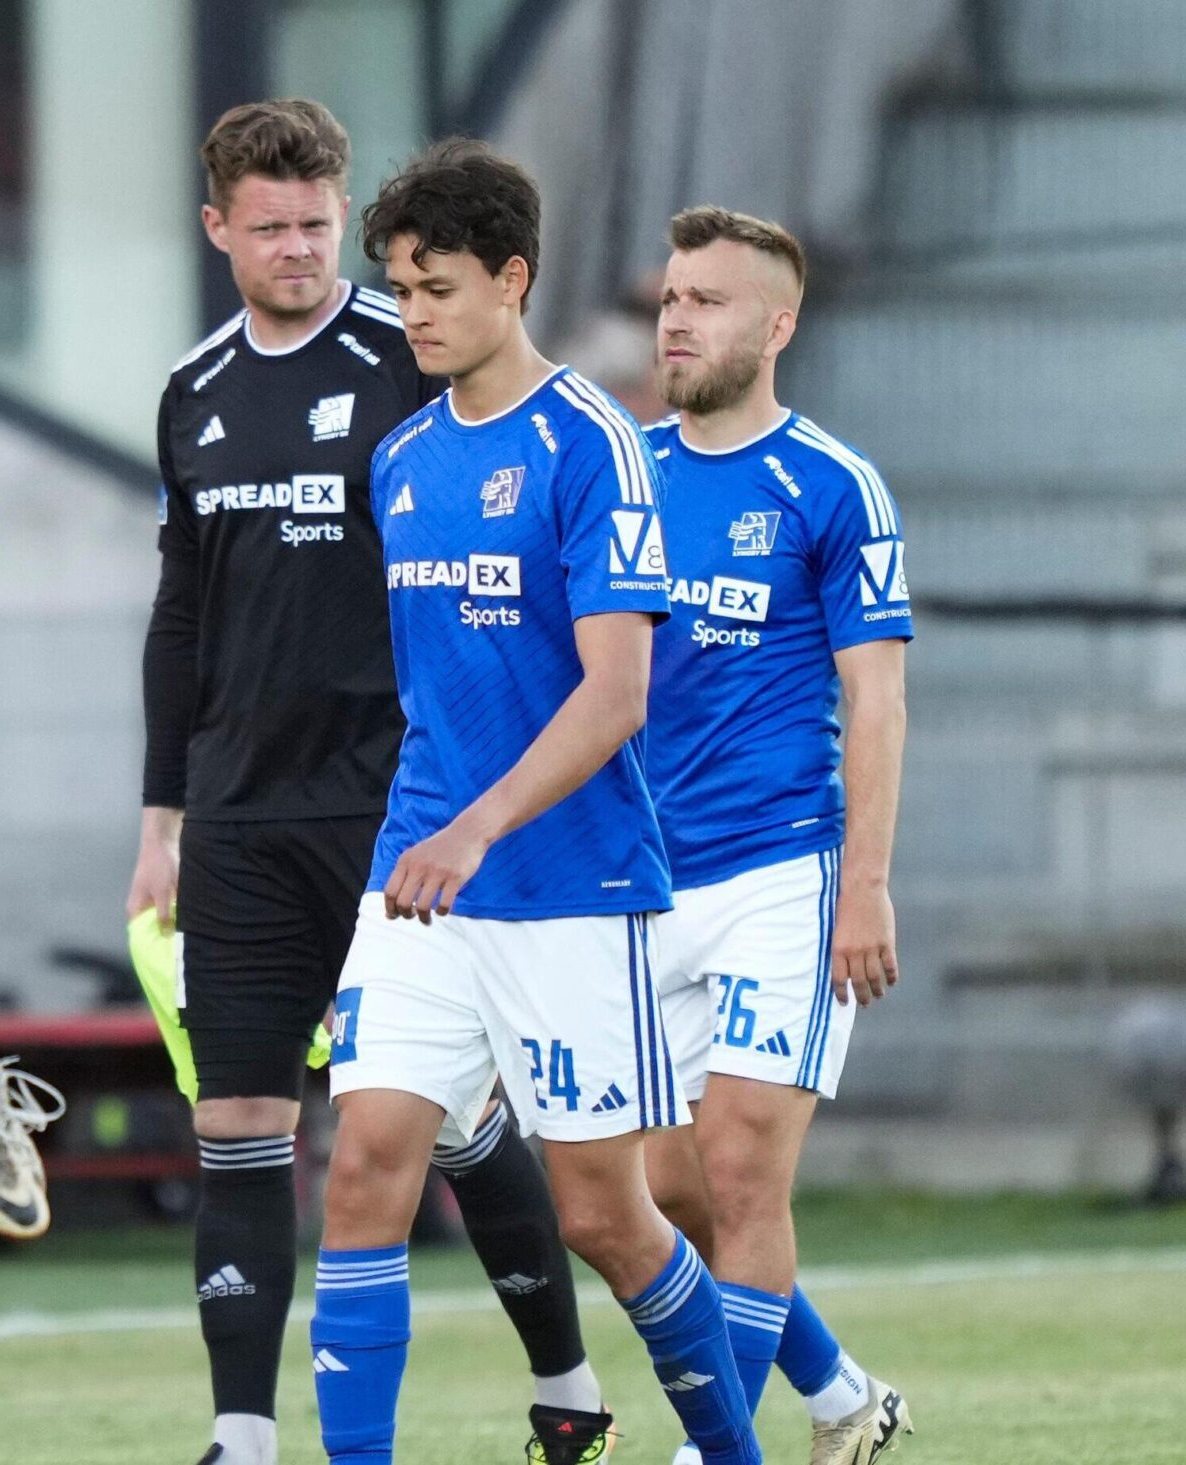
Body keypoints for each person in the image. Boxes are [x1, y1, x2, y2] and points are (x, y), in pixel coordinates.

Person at [130, 100, 604, 1465]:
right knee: (237, 1122)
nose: (297, 248)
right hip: (236, 810)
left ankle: (567, 1383)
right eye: (268, 226)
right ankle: (242, 1434)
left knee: (443, 1121)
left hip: (395, 802)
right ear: (217, 226)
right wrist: (160, 817)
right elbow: (179, 619)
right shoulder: (194, 391)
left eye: (317, 223)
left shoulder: (410, 354)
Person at [310, 140, 763, 1465]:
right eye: (399, 287)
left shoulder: (594, 447)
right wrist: (431, 828)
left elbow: (615, 694)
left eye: (439, 284)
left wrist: (478, 824)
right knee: (361, 1169)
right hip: (422, 874)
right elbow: (427, 697)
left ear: (513, 280)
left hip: (566, 883)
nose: (416, 313)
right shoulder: (398, 462)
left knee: (605, 1219)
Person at [639, 206, 914, 1465]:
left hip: (779, 875)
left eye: (706, 299)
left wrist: (864, 883)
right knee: (662, 1196)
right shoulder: (620, 474)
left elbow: (876, 695)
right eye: (669, 298)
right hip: (638, 883)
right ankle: (844, 1395)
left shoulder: (832, 485)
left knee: (744, 1173)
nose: (677, 319)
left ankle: (715, 1454)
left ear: (777, 324)